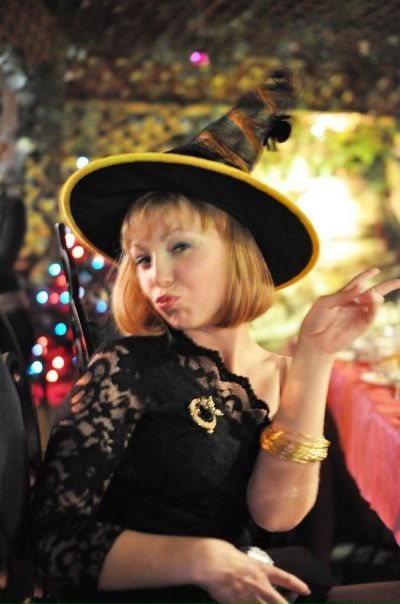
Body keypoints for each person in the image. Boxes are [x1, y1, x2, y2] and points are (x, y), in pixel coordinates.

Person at [31, 71, 400, 604]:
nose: (156, 276)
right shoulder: (128, 367)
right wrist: (202, 558)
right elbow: (49, 542)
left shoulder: (280, 373)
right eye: (141, 259)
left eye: (180, 246)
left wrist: (316, 355)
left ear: (240, 253)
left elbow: (276, 515)